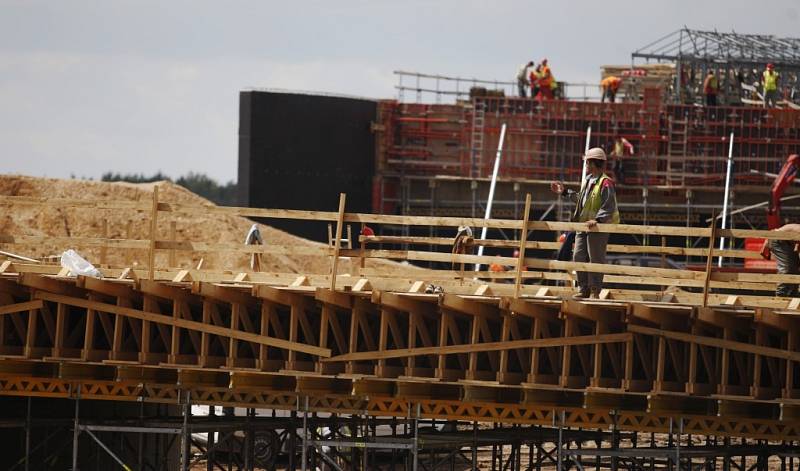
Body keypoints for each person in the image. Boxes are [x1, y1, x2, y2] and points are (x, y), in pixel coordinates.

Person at [550, 147, 620, 298]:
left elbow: (609, 205)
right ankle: (583, 288)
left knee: (596, 259)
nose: (585, 165)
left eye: (587, 162)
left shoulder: (605, 183)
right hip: (583, 226)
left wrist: (597, 220)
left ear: (593, 163)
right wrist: (564, 192)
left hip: (598, 228)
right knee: (578, 256)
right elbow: (582, 201)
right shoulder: (588, 180)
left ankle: (595, 290)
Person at [767, 223, 800, 297]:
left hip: (786, 242)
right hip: (778, 240)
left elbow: (797, 248)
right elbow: (797, 248)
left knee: (795, 267)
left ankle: (794, 294)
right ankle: (780, 295)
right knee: (787, 267)